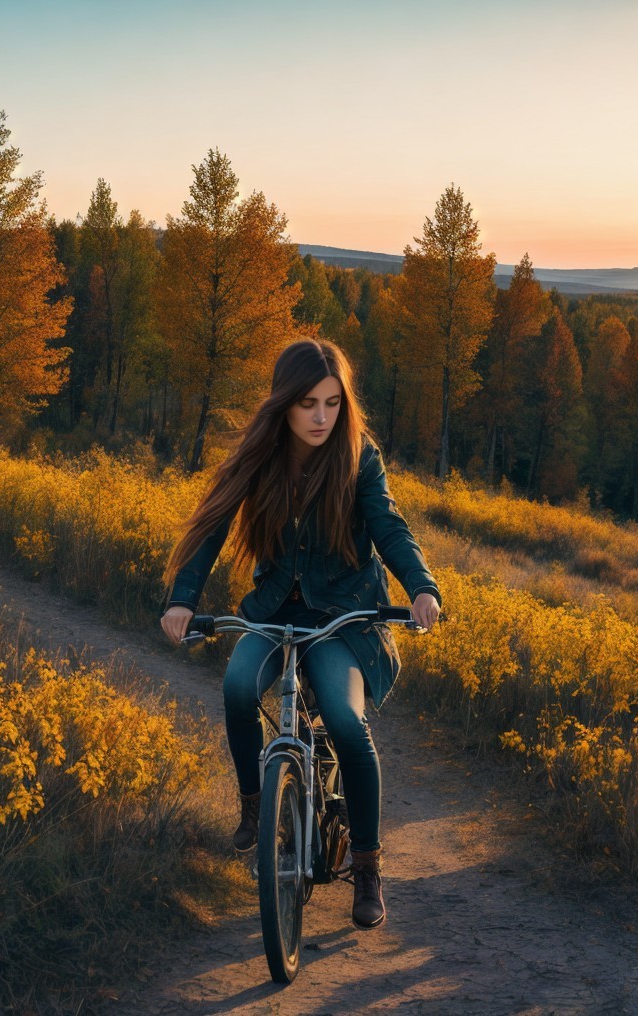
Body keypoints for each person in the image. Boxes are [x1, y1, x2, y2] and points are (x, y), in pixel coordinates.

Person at [161, 339, 440, 929]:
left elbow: (389, 527)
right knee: (238, 686)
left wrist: (420, 587)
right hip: (273, 610)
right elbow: (212, 528)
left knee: (344, 721)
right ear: (283, 404)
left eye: (333, 404)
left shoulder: (360, 457)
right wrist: (183, 600)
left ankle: (366, 866)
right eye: (308, 403)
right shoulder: (260, 455)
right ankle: (256, 808)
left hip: (344, 617)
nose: (321, 417)